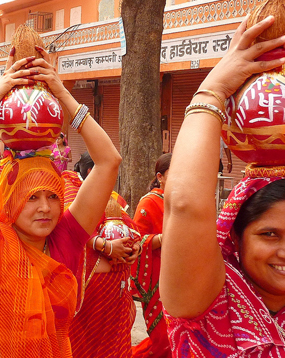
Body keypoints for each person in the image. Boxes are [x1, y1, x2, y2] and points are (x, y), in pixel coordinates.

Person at [0, 44, 121, 356]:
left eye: (54, 196)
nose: (45, 208)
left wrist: (63, 93)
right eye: (32, 198)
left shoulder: (65, 238)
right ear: (11, 198)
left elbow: (109, 160)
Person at [160, 15, 285, 356]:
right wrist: (212, 90)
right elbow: (185, 205)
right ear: (234, 235)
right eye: (270, 234)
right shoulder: (208, 300)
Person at [64, 152, 141, 358]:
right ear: (92, 171)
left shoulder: (110, 196)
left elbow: (132, 227)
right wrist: (106, 246)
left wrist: (135, 248)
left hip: (115, 290)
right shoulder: (69, 187)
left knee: (115, 345)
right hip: (88, 289)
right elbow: (70, 223)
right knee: (84, 344)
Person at [130, 153, 172, 358]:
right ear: (160, 176)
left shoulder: (182, 200)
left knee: (177, 334)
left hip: (181, 273)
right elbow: (137, 241)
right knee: (162, 338)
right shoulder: (149, 203)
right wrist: (166, 238)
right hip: (157, 276)